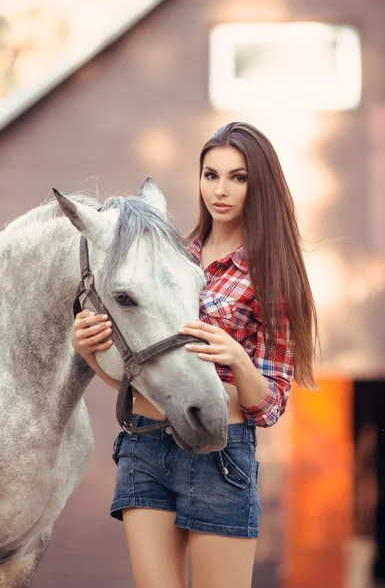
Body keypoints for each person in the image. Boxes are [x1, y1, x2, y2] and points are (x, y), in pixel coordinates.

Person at [72, 122, 318, 588]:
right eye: (210, 175)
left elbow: (269, 406)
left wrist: (238, 359)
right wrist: (89, 353)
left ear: (258, 185)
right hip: (144, 443)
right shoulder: (168, 258)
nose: (220, 190)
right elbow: (145, 378)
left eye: (237, 177)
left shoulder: (273, 275)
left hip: (220, 456)